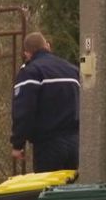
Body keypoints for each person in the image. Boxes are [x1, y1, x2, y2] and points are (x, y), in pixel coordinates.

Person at [11, 31, 80, 173]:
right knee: (71, 191)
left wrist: (18, 144)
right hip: (74, 143)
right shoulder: (72, 70)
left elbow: (24, 111)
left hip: (48, 144)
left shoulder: (31, 72)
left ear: (27, 54)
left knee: (48, 192)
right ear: (47, 46)